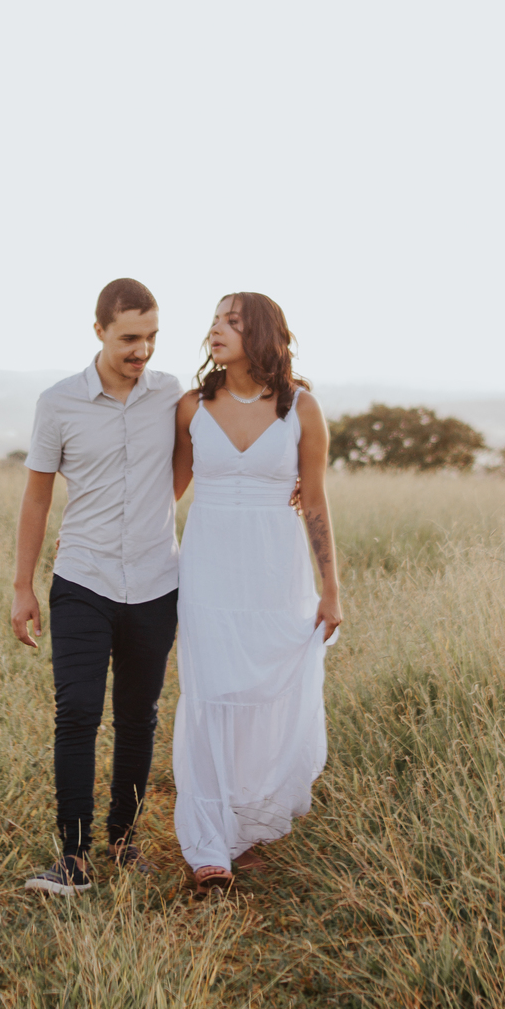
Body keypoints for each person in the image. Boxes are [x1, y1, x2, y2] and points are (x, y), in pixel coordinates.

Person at [12, 278, 181, 895]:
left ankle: (124, 842)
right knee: (77, 714)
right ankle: (74, 859)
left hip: (157, 581)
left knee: (139, 718)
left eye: (152, 337)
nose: (143, 350)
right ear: (100, 331)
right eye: (130, 338)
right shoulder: (58, 402)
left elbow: (195, 460)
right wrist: (23, 586)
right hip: (83, 578)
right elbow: (36, 497)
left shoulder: (172, 395)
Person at [171, 292, 342, 892]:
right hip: (208, 572)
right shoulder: (191, 406)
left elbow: (315, 503)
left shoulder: (302, 409)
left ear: (263, 333)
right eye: (215, 320)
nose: (217, 329)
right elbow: (166, 494)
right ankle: (208, 842)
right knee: (210, 694)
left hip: (276, 572)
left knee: (264, 696)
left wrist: (331, 590)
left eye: (233, 321)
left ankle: (248, 826)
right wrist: (97, 533)